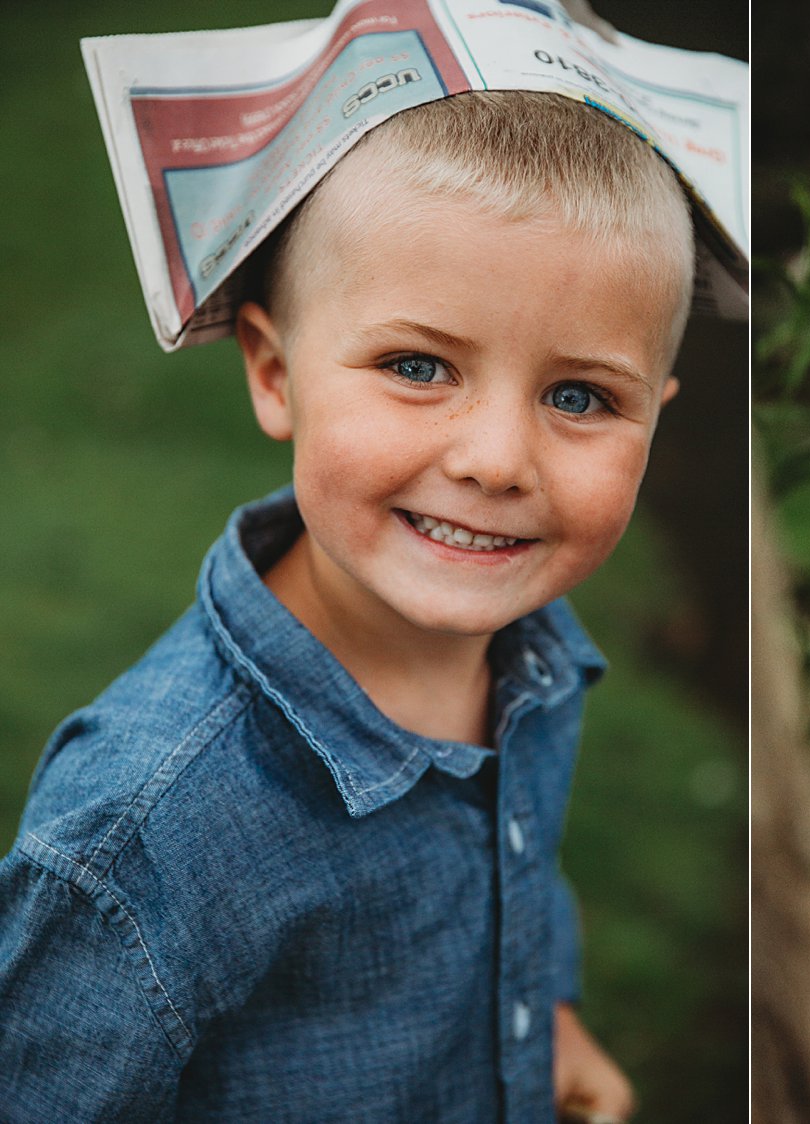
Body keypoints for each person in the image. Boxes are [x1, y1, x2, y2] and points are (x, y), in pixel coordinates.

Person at [0, 89, 692, 1122]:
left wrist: (541, 1014)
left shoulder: (535, 660)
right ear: (277, 374)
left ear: (656, 413)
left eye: (580, 395)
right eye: (418, 366)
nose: (496, 459)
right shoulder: (145, 833)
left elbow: (513, 869)